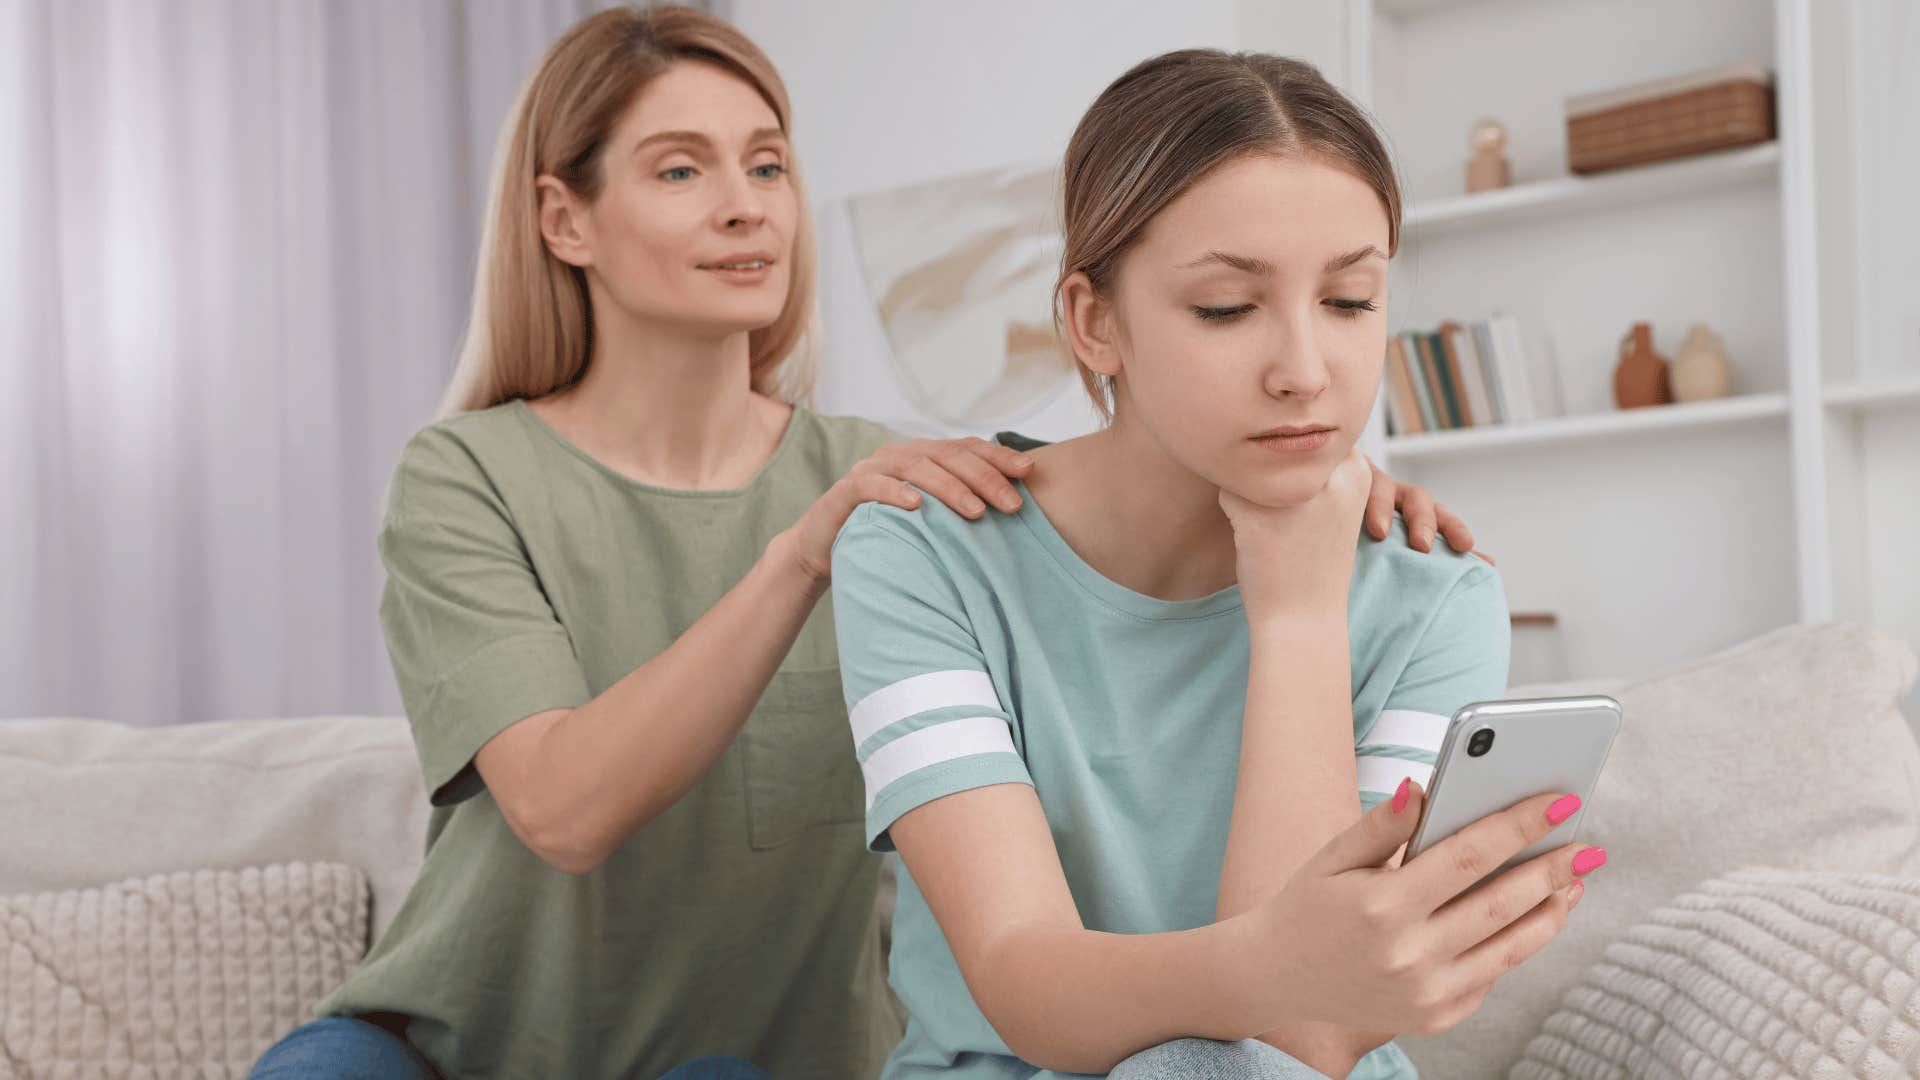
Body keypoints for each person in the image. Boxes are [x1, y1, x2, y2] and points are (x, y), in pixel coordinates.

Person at [249, 10, 1482, 1079]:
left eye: (770, 164)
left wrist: (1325, 523)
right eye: (681, 171)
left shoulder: (900, 481)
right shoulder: (499, 477)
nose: (745, 205)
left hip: (760, 1052)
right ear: (563, 220)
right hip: (455, 1040)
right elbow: (564, 809)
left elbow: (1117, 489)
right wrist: (797, 559)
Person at [828, 49, 1605, 1080]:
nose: (1304, 372)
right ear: (1093, 322)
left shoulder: (1435, 594)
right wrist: (1293, 965)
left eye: (1349, 301)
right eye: (1227, 309)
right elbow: (1027, 986)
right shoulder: (922, 554)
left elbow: (1303, 1040)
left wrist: (1301, 617)